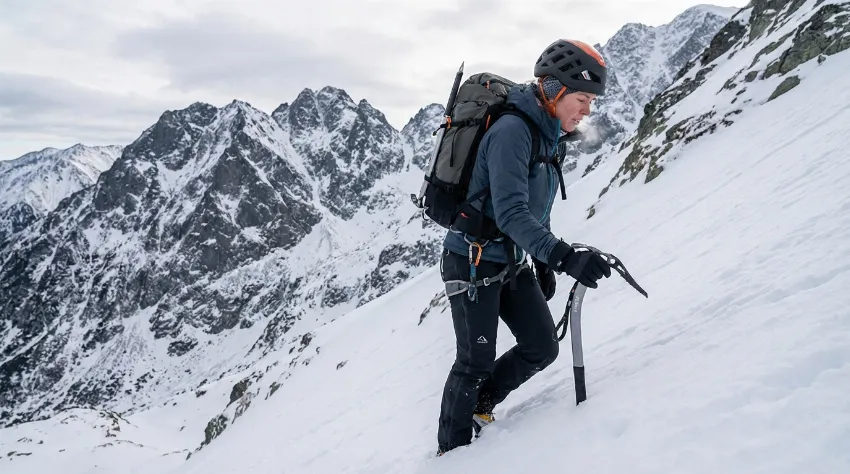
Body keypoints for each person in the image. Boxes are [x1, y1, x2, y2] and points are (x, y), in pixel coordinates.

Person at [436, 39, 613, 455]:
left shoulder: (548, 133)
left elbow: (538, 204)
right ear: (555, 91)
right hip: (471, 262)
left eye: (591, 102)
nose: (587, 110)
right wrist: (564, 257)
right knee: (473, 363)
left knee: (541, 346)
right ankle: (452, 454)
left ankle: (482, 404)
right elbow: (513, 213)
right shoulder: (513, 131)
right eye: (583, 99)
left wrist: (542, 261)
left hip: (511, 260)